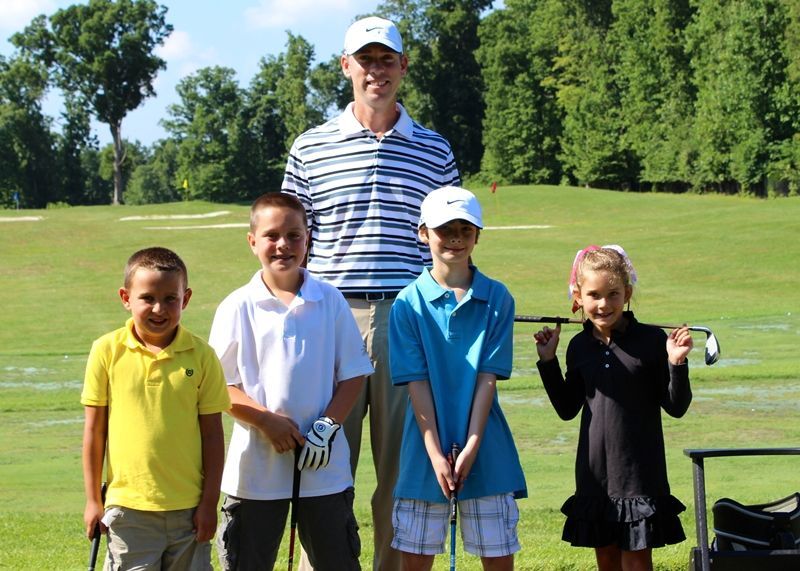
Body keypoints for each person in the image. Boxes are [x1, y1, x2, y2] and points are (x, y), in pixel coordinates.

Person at [281, 15, 460, 570]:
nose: (376, 70)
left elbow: (450, 247)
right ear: (346, 67)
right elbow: (289, 242)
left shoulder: (434, 149)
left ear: (403, 66)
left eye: (387, 59)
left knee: (402, 470)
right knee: (326, 466)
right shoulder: (311, 147)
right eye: (366, 60)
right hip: (332, 320)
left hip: (410, 319)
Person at [208, 192, 374, 570]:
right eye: (271, 236)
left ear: (308, 239)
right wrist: (265, 420)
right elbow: (219, 386)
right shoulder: (237, 306)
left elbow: (352, 375)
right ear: (252, 241)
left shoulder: (329, 300)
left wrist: (327, 426)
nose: (283, 245)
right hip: (255, 472)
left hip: (324, 469)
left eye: (294, 235)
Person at [388, 186, 527, 571]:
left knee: (498, 559)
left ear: (477, 235)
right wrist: (436, 454)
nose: (455, 238)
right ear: (423, 232)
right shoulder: (407, 304)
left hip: (487, 448)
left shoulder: (498, 298)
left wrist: (471, 446)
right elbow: (416, 383)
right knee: (415, 560)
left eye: (465, 230)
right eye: (444, 228)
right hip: (423, 451)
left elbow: (487, 379)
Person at [534, 245, 694, 571]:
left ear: (628, 293)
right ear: (579, 296)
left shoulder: (650, 341)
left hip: (639, 475)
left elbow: (676, 407)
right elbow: (567, 408)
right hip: (594, 476)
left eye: (613, 294)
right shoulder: (578, 346)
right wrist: (548, 361)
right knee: (606, 561)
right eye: (594, 295)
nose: (603, 304)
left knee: (636, 563)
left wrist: (676, 363)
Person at [81, 247, 231, 570]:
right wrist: (93, 499)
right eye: (147, 298)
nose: (159, 308)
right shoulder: (106, 351)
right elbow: (94, 432)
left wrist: (209, 502)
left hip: (188, 511)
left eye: (170, 299)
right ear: (126, 297)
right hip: (128, 509)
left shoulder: (202, 356)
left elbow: (213, 437)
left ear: (186, 298)